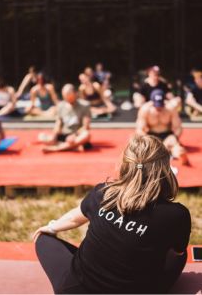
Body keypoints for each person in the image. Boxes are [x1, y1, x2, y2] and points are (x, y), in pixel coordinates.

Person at [34, 134, 191, 294]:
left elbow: (75, 218)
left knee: (43, 239)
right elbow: (177, 253)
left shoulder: (103, 193)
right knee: (180, 254)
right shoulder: (177, 215)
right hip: (139, 289)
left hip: (75, 289)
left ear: (125, 163)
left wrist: (51, 228)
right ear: (164, 168)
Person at [136, 89, 189, 165]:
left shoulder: (170, 108)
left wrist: (174, 137)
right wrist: (147, 140)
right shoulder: (145, 109)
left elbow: (178, 127)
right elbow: (139, 129)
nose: (159, 108)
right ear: (152, 101)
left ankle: (181, 156)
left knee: (175, 146)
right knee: (141, 152)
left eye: (161, 105)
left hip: (167, 134)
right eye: (157, 105)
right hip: (151, 135)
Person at [38, 84, 91, 152]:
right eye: (66, 97)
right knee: (41, 136)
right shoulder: (61, 105)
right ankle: (71, 147)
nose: (68, 99)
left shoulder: (84, 105)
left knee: (86, 134)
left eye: (70, 97)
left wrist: (74, 135)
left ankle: (56, 148)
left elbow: (85, 126)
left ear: (75, 94)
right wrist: (54, 135)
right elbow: (58, 124)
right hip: (64, 135)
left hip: (77, 135)